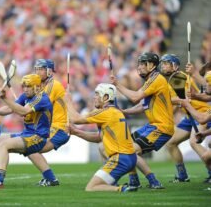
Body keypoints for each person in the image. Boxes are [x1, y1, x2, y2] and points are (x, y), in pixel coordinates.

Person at [110, 52, 174, 189]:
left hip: (162, 127)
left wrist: (118, 85)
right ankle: (134, 180)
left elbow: (135, 98)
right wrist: (125, 111)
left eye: (142, 64)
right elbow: (142, 105)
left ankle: (154, 181)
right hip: (152, 125)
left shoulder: (156, 79)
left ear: (152, 65)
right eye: (138, 64)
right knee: (124, 146)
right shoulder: (151, 80)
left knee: (131, 151)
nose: (139, 67)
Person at [0, 74, 53, 189]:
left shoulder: (41, 98)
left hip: (38, 137)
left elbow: (23, 111)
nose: (25, 89)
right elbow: (11, 108)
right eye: (24, 86)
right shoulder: (26, 96)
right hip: (26, 134)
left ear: (37, 87)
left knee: (4, 145)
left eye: (28, 86)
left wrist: (5, 98)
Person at [66, 83, 137, 192]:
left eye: (97, 94)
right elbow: (98, 138)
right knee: (101, 148)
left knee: (91, 188)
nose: (94, 97)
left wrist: (68, 102)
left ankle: (122, 189)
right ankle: (120, 185)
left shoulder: (105, 112)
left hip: (120, 159)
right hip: (129, 158)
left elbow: (75, 118)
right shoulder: (115, 111)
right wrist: (76, 132)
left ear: (106, 97)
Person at [160, 55, 211, 183]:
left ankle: (210, 172)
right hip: (189, 116)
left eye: (166, 63)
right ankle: (182, 175)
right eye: (163, 64)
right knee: (170, 143)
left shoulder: (179, 78)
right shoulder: (172, 80)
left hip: (199, 112)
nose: (163, 66)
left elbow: (182, 100)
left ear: (175, 66)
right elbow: (178, 102)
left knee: (194, 142)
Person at [29, 59, 69, 186]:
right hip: (53, 127)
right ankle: (50, 179)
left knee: (31, 148)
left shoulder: (53, 85)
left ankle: (51, 179)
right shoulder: (44, 86)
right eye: (36, 69)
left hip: (60, 127)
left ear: (49, 72)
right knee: (31, 148)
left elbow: (39, 106)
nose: (37, 72)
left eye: (40, 69)